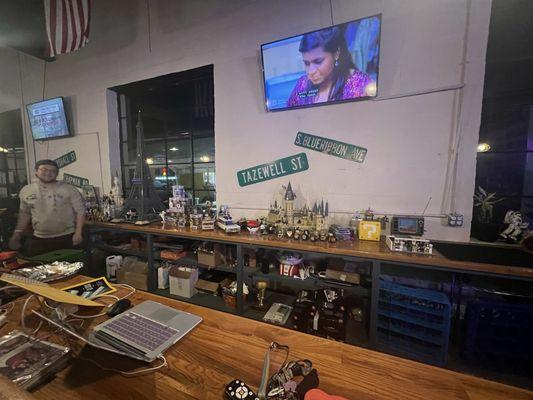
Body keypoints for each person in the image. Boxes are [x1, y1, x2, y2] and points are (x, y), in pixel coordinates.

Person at [8, 159, 85, 256]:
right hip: (39, 238)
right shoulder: (26, 190)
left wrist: (78, 233)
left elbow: (80, 212)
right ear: (36, 171)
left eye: (53, 171)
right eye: (44, 169)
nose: (48, 173)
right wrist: (17, 233)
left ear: (57, 173)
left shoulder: (69, 189)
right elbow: (24, 214)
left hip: (66, 237)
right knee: (37, 267)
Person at [287, 26, 374, 107]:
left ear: (336, 54)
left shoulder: (360, 83)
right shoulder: (302, 84)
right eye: (307, 63)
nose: (311, 71)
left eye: (318, 61)